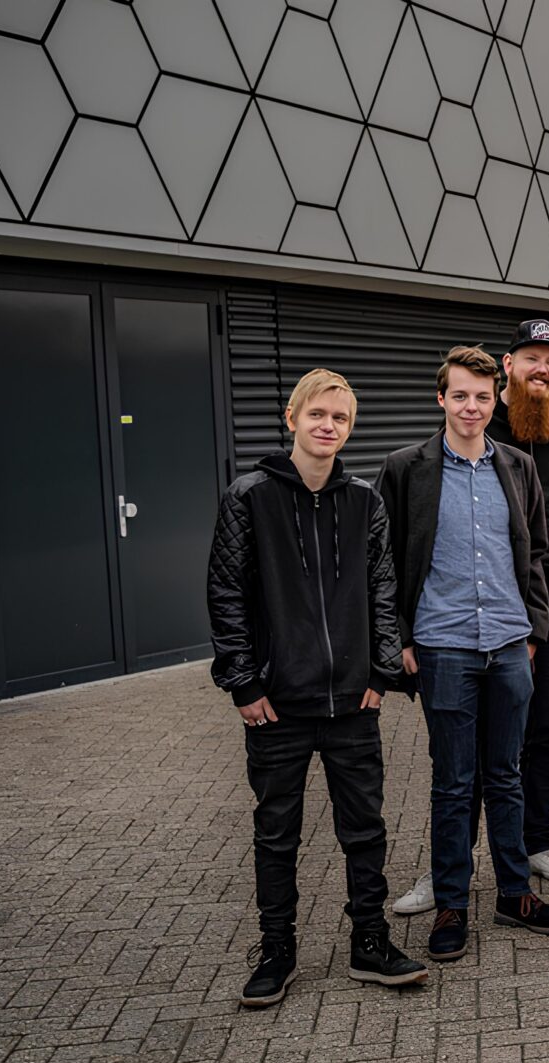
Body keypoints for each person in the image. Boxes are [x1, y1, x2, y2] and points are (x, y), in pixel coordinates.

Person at [207, 368, 427, 1007]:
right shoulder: (249, 497)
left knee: (365, 830)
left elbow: (383, 589)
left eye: (341, 419)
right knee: (277, 835)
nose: (329, 426)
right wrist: (242, 683)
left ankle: (370, 942)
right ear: (292, 418)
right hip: (276, 704)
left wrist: (381, 674)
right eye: (318, 415)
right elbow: (226, 593)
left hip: (352, 702)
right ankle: (277, 950)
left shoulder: (364, 500)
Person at [388, 320, 549, 915]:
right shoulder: (471, 432)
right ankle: (450, 869)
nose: (543, 368)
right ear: (508, 365)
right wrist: (400, 636)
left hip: (546, 602)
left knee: (544, 731)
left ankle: (535, 845)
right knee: (465, 759)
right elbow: (398, 552)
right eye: (532, 357)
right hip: (466, 619)